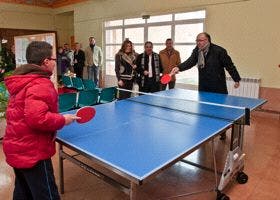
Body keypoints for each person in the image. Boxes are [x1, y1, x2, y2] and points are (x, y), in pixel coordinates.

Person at [3, 41, 79, 200]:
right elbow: (37, 118)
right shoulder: (40, 83)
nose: (54, 62)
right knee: (47, 194)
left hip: (16, 146)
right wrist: (62, 120)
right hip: (33, 151)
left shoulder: (22, 78)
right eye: (53, 59)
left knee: (23, 192)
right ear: (46, 61)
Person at [171, 32, 241, 139]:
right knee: (204, 110)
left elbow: (229, 65)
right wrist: (179, 67)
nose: (198, 43)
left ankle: (222, 132)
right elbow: (190, 62)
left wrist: (236, 79)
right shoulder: (197, 51)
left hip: (218, 86)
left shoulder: (219, 51)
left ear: (208, 40)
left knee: (219, 112)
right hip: (204, 86)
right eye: (197, 40)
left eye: (201, 40)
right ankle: (206, 131)